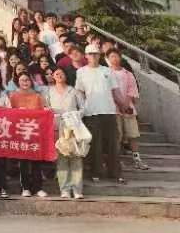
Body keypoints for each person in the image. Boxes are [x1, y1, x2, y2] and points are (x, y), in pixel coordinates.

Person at [75, 43, 123, 184]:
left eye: (96, 53)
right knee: (95, 144)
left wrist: (123, 105)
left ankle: (115, 173)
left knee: (112, 144)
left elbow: (115, 91)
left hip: (109, 111)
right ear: (86, 56)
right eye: (90, 54)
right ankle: (96, 172)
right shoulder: (81, 72)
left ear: (99, 55)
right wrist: (82, 109)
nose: (93, 56)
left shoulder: (107, 71)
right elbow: (79, 92)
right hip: (91, 112)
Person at [45, 67, 85, 199]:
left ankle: (77, 189)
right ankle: (65, 189)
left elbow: (83, 108)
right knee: (61, 159)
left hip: (73, 127)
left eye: (61, 73)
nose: (59, 75)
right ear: (53, 76)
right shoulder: (49, 91)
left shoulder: (74, 91)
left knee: (75, 158)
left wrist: (75, 115)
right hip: (57, 127)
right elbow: (46, 108)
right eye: (56, 73)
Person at [108, 49, 149, 171]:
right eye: (111, 56)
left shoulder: (128, 74)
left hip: (128, 108)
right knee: (116, 135)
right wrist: (119, 103)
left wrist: (126, 103)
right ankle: (116, 160)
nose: (114, 59)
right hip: (113, 108)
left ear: (120, 57)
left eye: (116, 56)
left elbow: (133, 89)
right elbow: (107, 90)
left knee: (133, 134)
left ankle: (137, 159)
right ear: (108, 59)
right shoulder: (106, 73)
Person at [9, 72, 48, 198]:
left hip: (35, 132)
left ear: (31, 82)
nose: (25, 82)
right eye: (22, 80)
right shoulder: (13, 96)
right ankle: (25, 187)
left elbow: (43, 112)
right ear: (18, 82)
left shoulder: (37, 96)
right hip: (20, 132)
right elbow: (9, 114)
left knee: (36, 161)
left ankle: (38, 188)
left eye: (27, 80)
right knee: (23, 162)